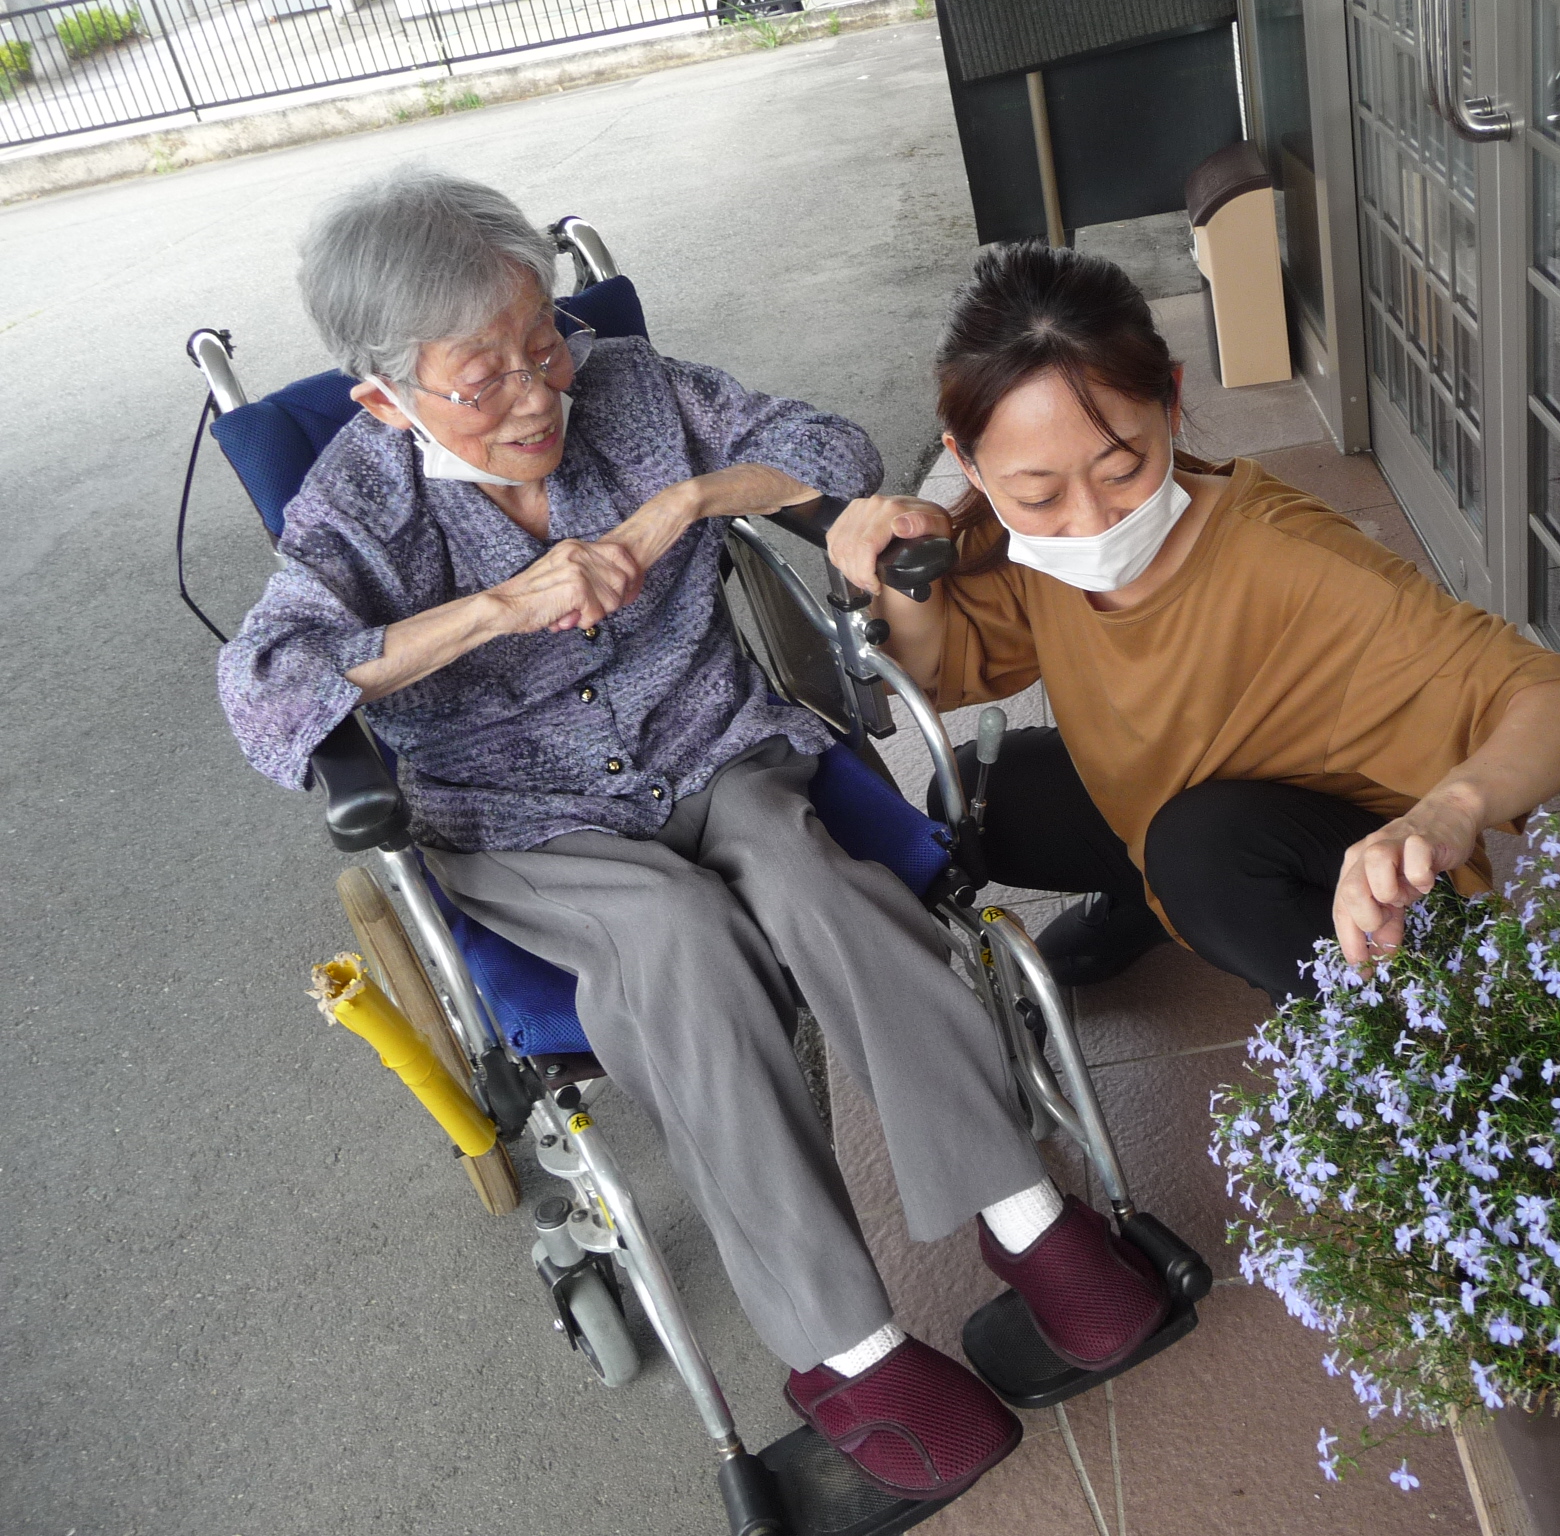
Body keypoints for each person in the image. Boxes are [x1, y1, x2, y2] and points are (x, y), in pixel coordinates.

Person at [216, 171, 1167, 1504]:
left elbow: (834, 451)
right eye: (480, 380)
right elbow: (263, 693)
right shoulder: (357, 504)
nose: (540, 394)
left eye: (542, 341)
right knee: (677, 947)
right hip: (530, 825)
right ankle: (859, 1349)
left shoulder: (630, 386)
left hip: (721, 752)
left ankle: (1039, 1231)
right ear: (386, 398)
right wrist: (492, 611)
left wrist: (679, 506)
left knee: (814, 885)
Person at [828, 243, 1560, 1002]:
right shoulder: (1021, 548)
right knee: (977, 796)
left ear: (1171, 401)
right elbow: (932, 672)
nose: (1089, 521)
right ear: (967, 463)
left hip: (1346, 868)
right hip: (1175, 804)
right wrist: (908, 551)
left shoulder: (1290, 560)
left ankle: (1377, 1027)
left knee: (1200, 851)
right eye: (1038, 494)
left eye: (1123, 468)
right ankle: (1155, 902)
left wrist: (1448, 811)